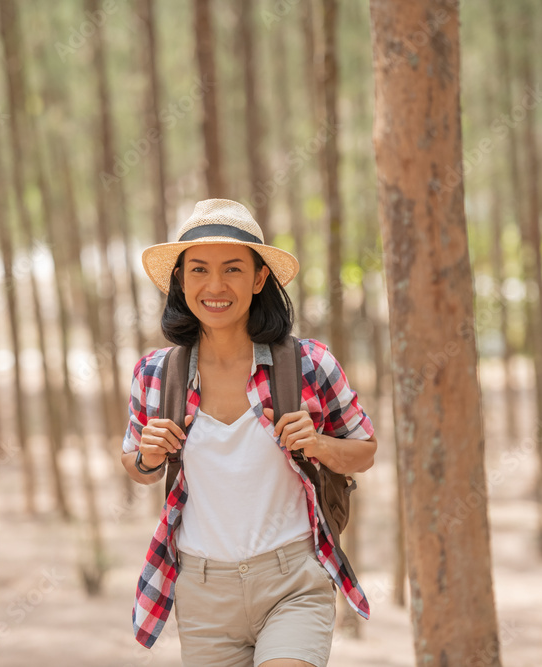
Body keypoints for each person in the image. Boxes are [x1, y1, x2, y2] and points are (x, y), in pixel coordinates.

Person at [121, 199, 377, 667]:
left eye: (233, 270)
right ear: (180, 279)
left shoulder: (309, 364)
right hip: (202, 593)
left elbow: (364, 451)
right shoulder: (155, 373)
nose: (215, 286)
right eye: (198, 269)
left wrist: (316, 444)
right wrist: (147, 456)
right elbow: (135, 464)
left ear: (260, 279)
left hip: (292, 582)